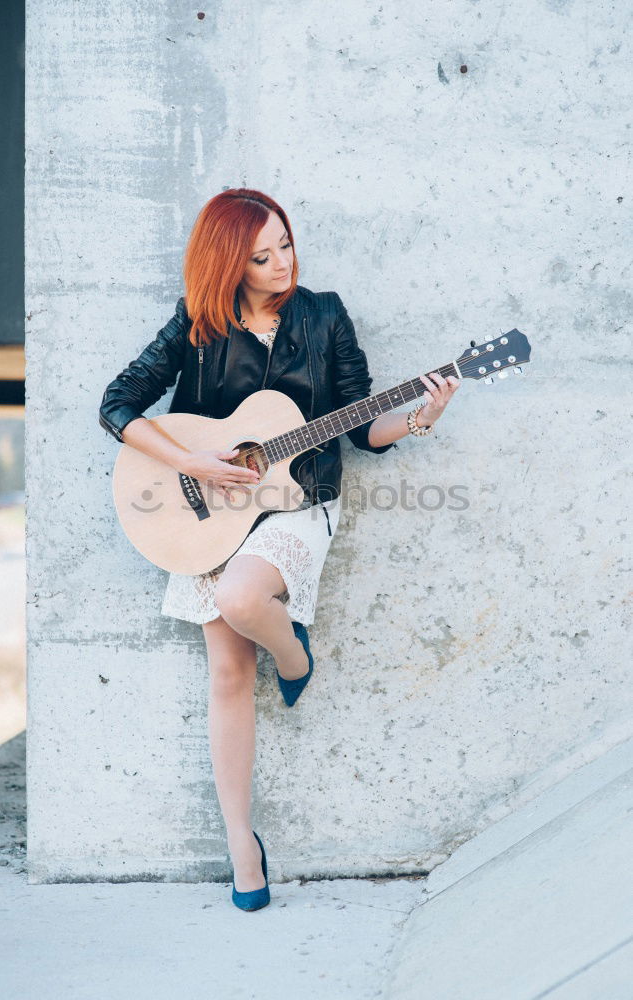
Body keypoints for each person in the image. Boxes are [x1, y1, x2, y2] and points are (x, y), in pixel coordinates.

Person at [98, 188, 460, 911]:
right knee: (229, 676)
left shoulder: (324, 315)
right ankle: (242, 843)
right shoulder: (198, 323)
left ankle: (293, 654)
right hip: (206, 513)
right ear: (230, 261)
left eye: (286, 246)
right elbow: (117, 405)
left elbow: (361, 430)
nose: (281, 265)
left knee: (242, 600)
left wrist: (418, 418)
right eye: (262, 257)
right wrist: (192, 462)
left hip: (298, 506)